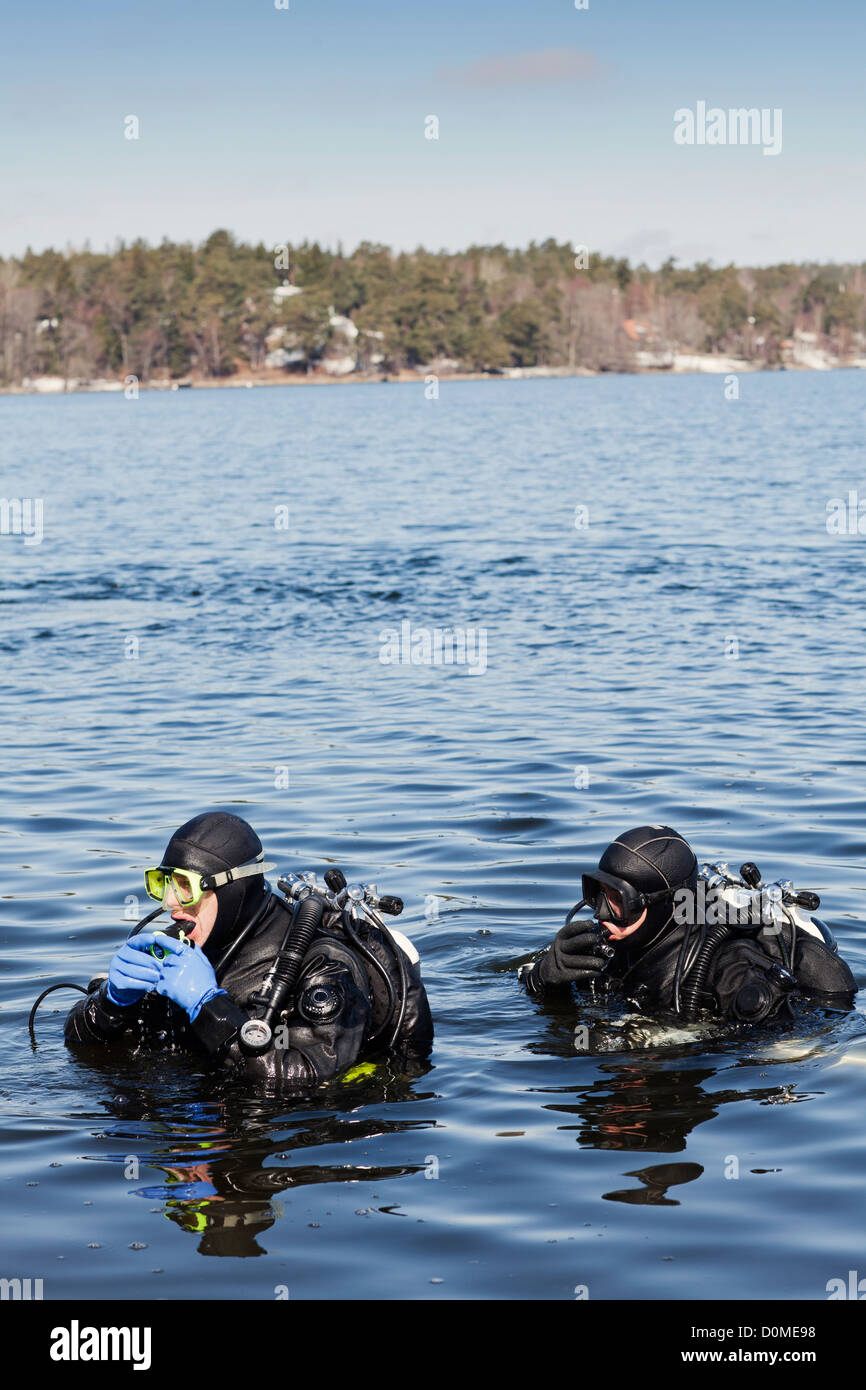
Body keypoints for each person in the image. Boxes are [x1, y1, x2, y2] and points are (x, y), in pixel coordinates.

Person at [65, 811, 433, 1086]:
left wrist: (209, 1007)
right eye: (162, 884)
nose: (170, 904)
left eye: (185, 887)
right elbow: (82, 1047)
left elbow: (305, 1082)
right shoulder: (186, 947)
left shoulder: (323, 965)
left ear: (231, 889)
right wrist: (111, 1005)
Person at [520, 825, 857, 1023]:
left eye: (620, 900)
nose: (601, 915)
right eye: (597, 894)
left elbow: (772, 1052)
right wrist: (542, 981)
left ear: (665, 904)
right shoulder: (617, 943)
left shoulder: (729, 969)